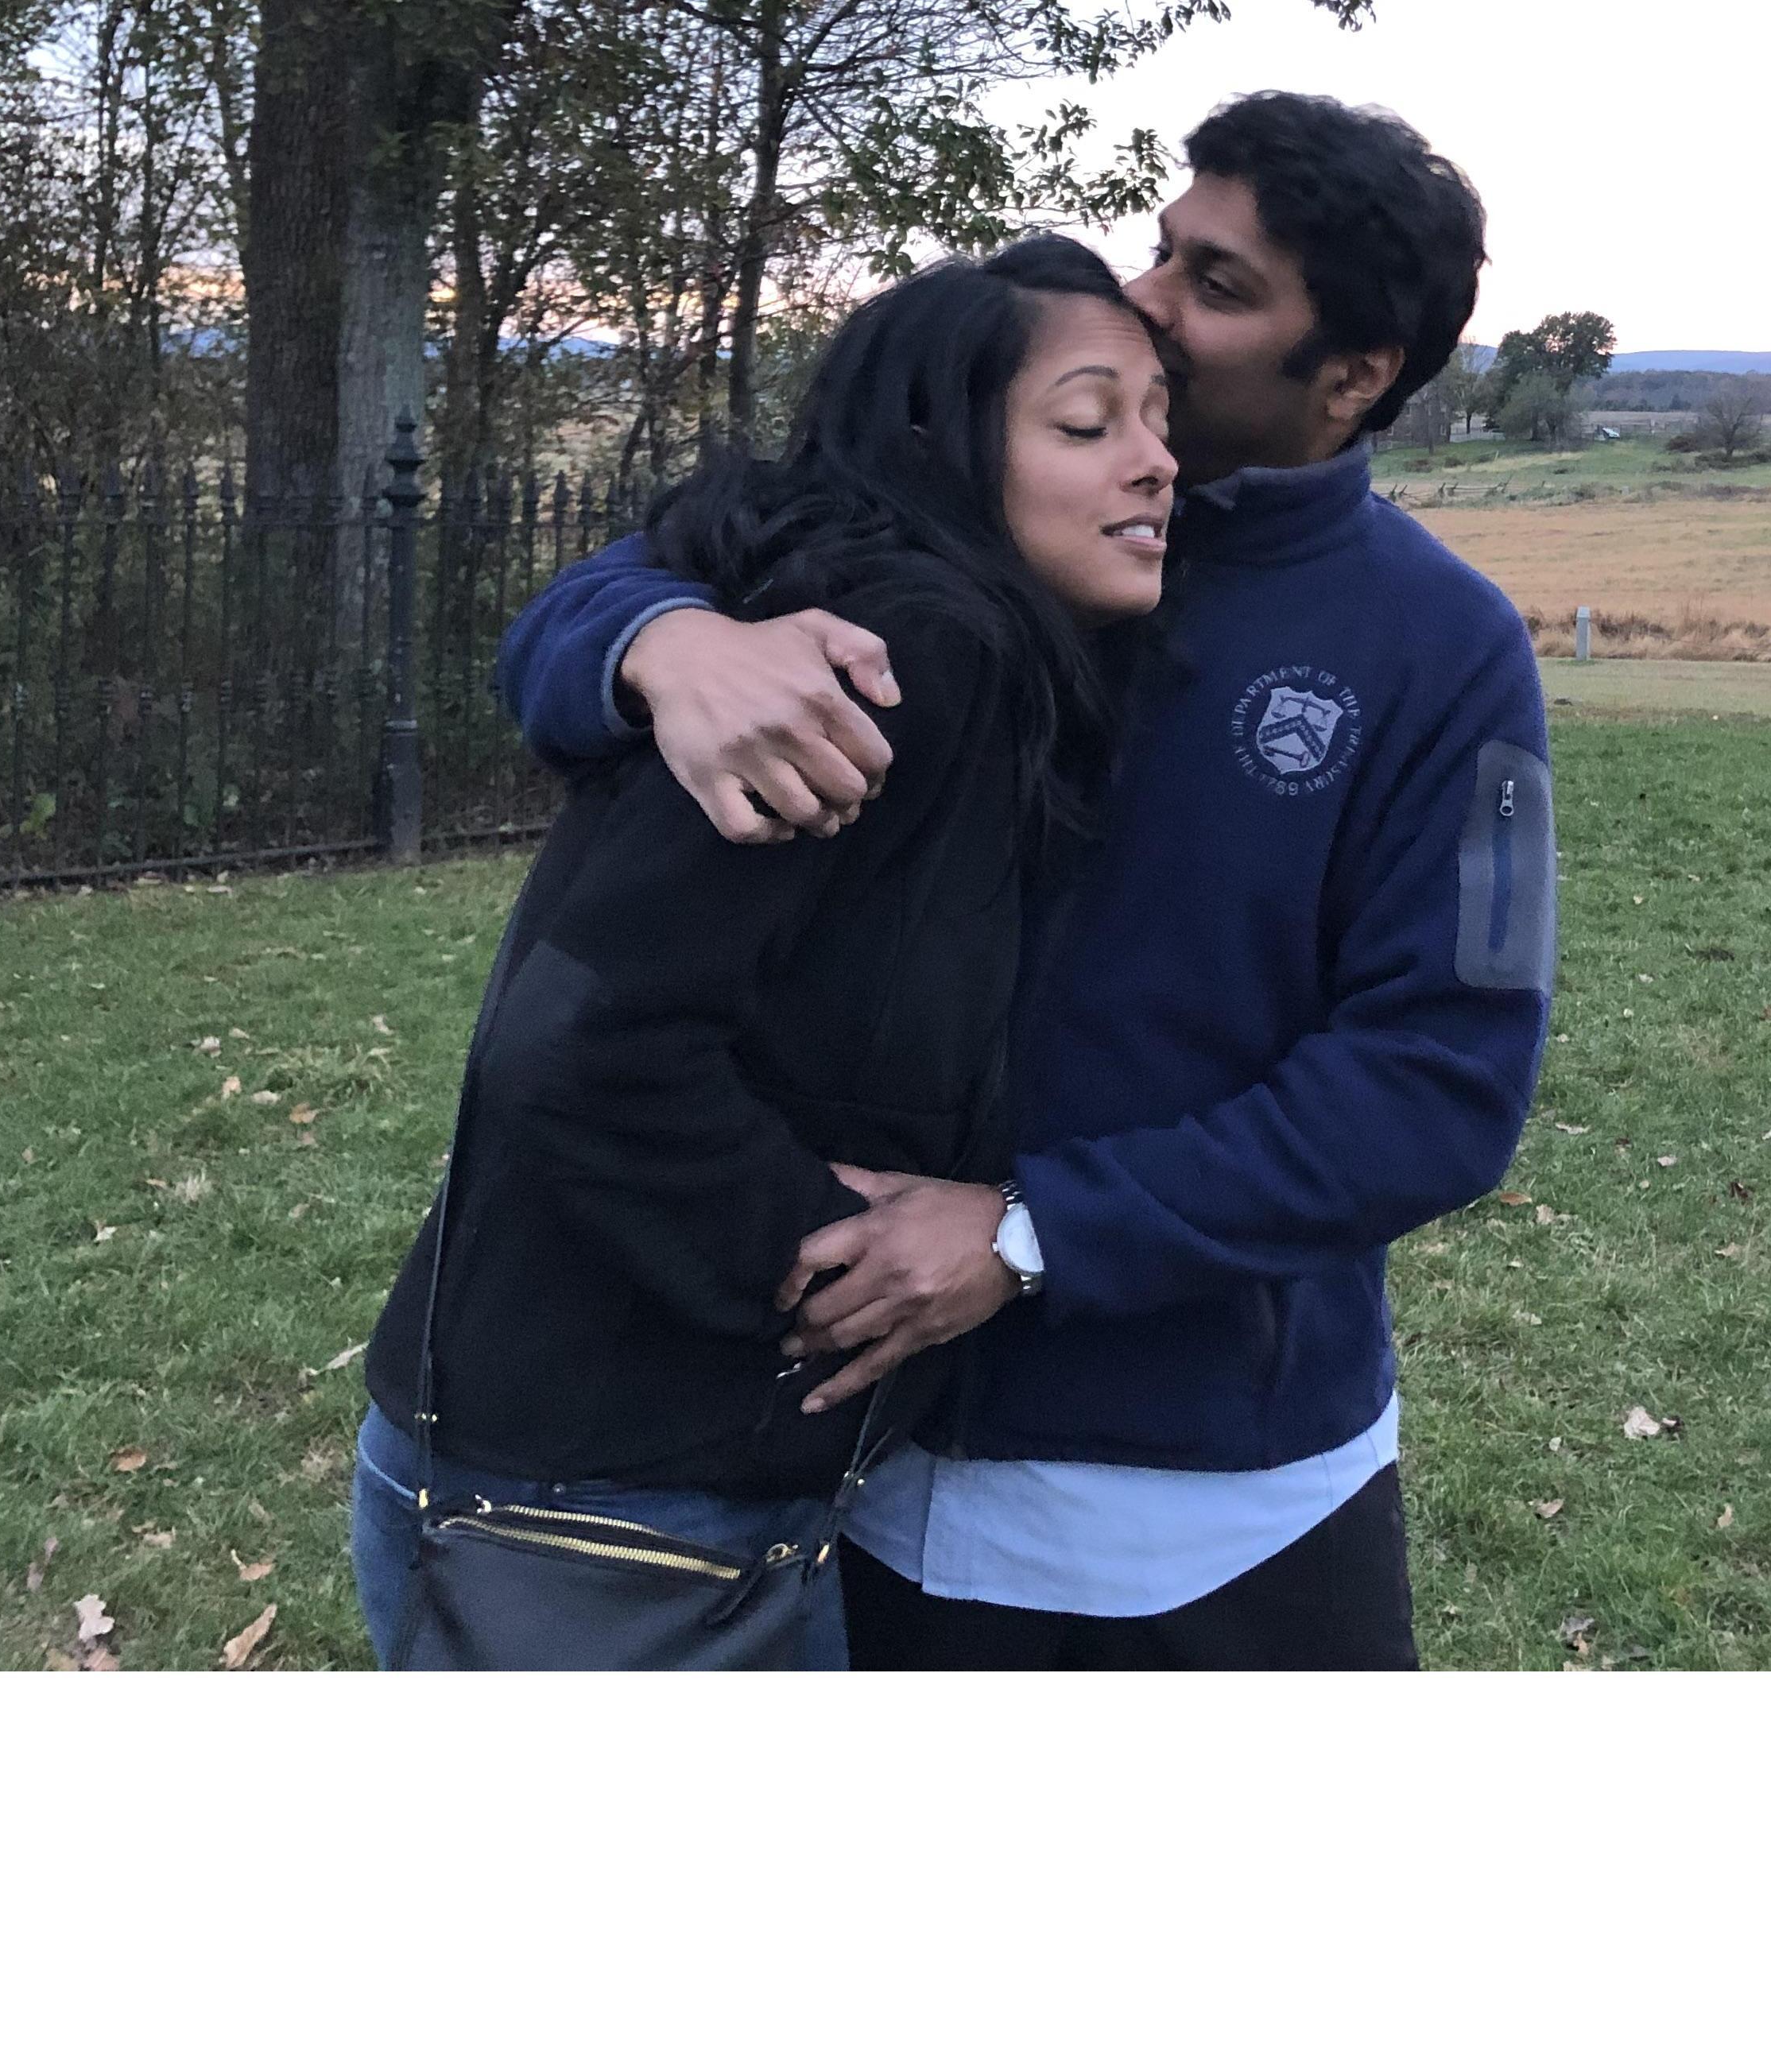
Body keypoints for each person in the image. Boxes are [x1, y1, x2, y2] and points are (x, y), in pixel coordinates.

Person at [494, 92, 1556, 1669]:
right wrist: (658, 643)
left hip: (1213, 1511)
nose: (1145, 301)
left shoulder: (1441, 652)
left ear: (1354, 377)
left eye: (1221, 286)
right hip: (837, 1472)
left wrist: (1030, 1235)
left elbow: (1436, 1087)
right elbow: (621, 588)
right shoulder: (986, 518)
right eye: (1165, 248)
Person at [351, 237, 1173, 1668]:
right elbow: (583, 1042)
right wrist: (843, 1268)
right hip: (598, 1517)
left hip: (655, 1492)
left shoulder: (938, 633)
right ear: (940, 443)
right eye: (1089, 423)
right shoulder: (892, 656)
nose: (1155, 461)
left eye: (1163, 420)